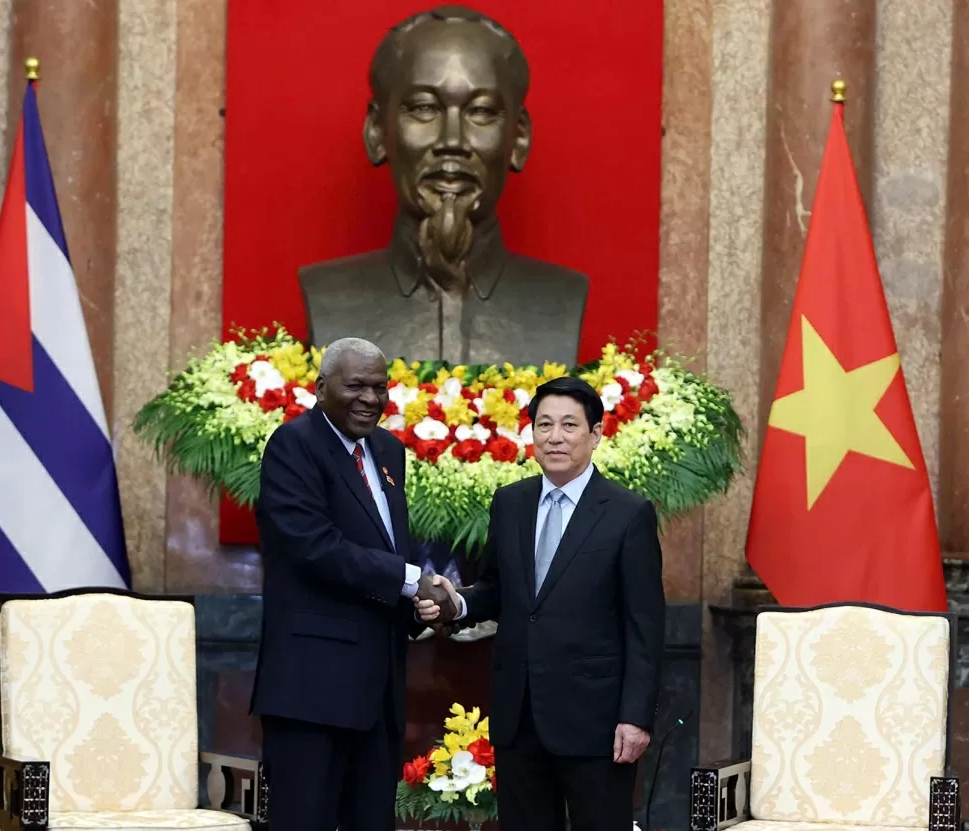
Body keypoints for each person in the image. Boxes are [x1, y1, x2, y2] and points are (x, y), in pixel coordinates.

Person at [418, 375, 666, 831]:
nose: (555, 436)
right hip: (519, 717)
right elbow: (497, 588)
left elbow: (645, 626)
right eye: (544, 424)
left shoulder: (627, 513)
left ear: (595, 434)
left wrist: (635, 717)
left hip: (597, 722)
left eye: (569, 425)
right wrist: (458, 605)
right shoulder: (510, 503)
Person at [298, 4, 588, 368]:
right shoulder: (328, 295)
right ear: (377, 132)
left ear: (518, 138)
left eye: (480, 112)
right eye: (423, 108)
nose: (453, 140)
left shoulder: (563, 297)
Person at [250, 336, 456, 831]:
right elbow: (312, 545)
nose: (370, 398)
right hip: (312, 689)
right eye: (355, 386)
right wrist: (411, 582)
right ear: (321, 388)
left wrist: (418, 606)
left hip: (378, 689)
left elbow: (386, 551)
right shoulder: (294, 445)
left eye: (380, 387)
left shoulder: (388, 450)